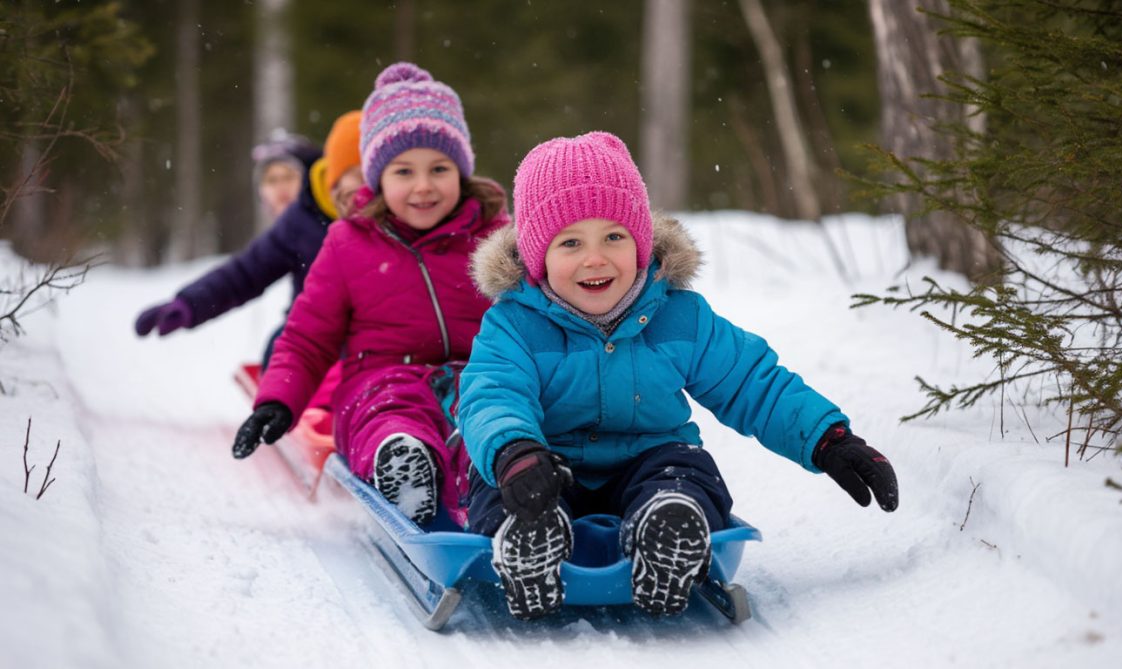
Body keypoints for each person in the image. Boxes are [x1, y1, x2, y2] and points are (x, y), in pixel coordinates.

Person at [456, 131, 899, 621]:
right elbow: (492, 395)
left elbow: (753, 383)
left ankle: (668, 525)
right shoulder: (513, 324)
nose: (595, 258)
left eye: (614, 236)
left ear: (642, 243)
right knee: (506, 488)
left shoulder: (679, 317)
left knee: (687, 472)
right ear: (538, 259)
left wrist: (827, 439)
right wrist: (515, 452)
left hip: (648, 460)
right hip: (544, 465)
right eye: (570, 242)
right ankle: (527, 541)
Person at [230, 63, 510, 529]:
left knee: (489, 419)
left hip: (476, 378)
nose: (423, 185)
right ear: (377, 178)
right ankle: (403, 467)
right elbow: (308, 337)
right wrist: (277, 401)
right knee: (385, 412)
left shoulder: (496, 236)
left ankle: (495, 493)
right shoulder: (348, 243)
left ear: (462, 172)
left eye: (439, 168)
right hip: (382, 378)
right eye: (404, 171)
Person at [134, 111, 364, 373]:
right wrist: (188, 304)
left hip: (378, 336)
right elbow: (244, 273)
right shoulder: (299, 222)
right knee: (281, 347)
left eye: (288, 178)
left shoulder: (394, 208)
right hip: (316, 333)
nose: (281, 189)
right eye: (272, 181)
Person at [253, 129, 318, 222]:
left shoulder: (328, 232)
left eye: (289, 177)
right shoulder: (269, 236)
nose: (281, 186)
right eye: (272, 180)